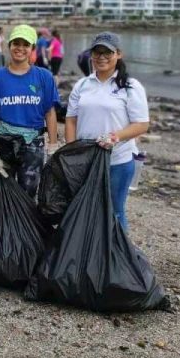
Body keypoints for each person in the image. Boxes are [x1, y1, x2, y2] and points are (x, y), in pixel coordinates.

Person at [65, 32, 150, 232]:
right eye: (97, 52)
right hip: (85, 161)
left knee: (115, 211)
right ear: (91, 55)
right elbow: (71, 119)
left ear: (118, 54)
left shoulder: (130, 86)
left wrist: (116, 137)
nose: (101, 57)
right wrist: (71, 150)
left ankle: (118, 258)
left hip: (118, 161)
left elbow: (142, 124)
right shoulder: (83, 85)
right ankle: (90, 254)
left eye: (107, 52)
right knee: (85, 208)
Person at [0, 24, 59, 199]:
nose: (20, 48)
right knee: (3, 191)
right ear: (8, 45)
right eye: (16, 43)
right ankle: (4, 225)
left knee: (28, 193)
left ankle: (23, 226)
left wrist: (53, 146)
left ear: (33, 48)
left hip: (33, 144)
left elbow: (50, 113)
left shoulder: (44, 77)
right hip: (5, 141)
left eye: (25, 44)